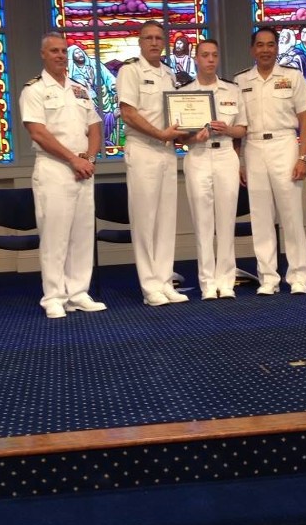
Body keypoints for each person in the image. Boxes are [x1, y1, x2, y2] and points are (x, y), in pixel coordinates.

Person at [19, 31, 107, 319]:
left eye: (63, 51)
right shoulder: (33, 90)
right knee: (55, 236)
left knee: (82, 234)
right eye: (54, 51)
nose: (60, 55)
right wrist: (72, 159)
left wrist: (89, 158)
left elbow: (94, 126)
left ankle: (79, 292)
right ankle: (54, 296)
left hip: (83, 169)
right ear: (43, 54)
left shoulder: (80, 89)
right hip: (54, 169)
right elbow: (38, 132)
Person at [234, 26, 306, 296]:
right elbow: (237, 126)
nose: (265, 49)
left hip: (284, 145)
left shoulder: (292, 77)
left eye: (270, 44)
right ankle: (268, 278)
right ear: (252, 49)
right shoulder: (241, 81)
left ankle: (298, 276)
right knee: (261, 217)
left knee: (291, 214)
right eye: (260, 44)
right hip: (253, 147)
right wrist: (239, 162)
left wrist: (303, 157)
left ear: (277, 48)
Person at [116, 20, 189, 306]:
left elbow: (177, 115)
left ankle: (164, 280)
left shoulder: (170, 74)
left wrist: (186, 133)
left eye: (159, 38)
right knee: (145, 220)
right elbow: (128, 113)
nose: (155, 43)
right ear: (140, 41)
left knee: (166, 220)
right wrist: (161, 134)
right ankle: (150, 287)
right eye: (149, 38)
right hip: (144, 149)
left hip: (167, 151)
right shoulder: (130, 71)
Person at [181, 39, 247, 299]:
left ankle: (227, 280)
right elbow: (179, 135)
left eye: (214, 55)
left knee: (226, 219)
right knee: (203, 221)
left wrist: (227, 128)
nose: (210, 59)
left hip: (226, 154)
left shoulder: (232, 90)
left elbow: (243, 128)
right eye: (205, 55)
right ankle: (208, 282)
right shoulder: (185, 90)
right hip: (198, 155)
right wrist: (190, 138)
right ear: (196, 59)